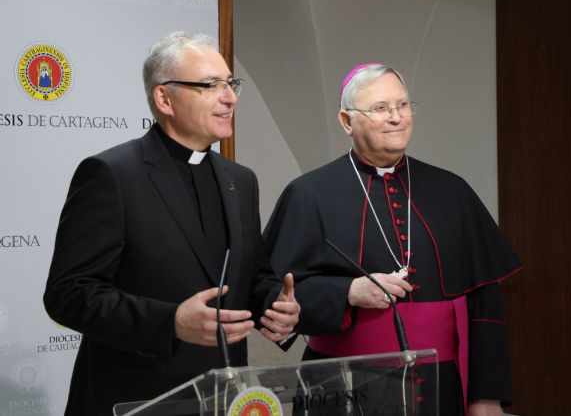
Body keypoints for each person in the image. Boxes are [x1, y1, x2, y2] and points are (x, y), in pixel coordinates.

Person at [44, 31, 300, 416]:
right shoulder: (111, 174)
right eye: (210, 85)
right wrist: (170, 323)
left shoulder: (241, 180)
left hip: (220, 398)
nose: (229, 97)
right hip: (134, 397)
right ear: (164, 98)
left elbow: (251, 276)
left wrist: (272, 305)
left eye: (230, 84)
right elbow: (68, 294)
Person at [263, 63, 521, 416]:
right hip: (344, 388)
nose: (396, 117)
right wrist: (347, 293)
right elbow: (273, 295)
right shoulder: (309, 195)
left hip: (441, 384)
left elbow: (485, 306)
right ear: (346, 121)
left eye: (403, 105)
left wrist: (486, 397)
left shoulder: (452, 191)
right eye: (381, 108)